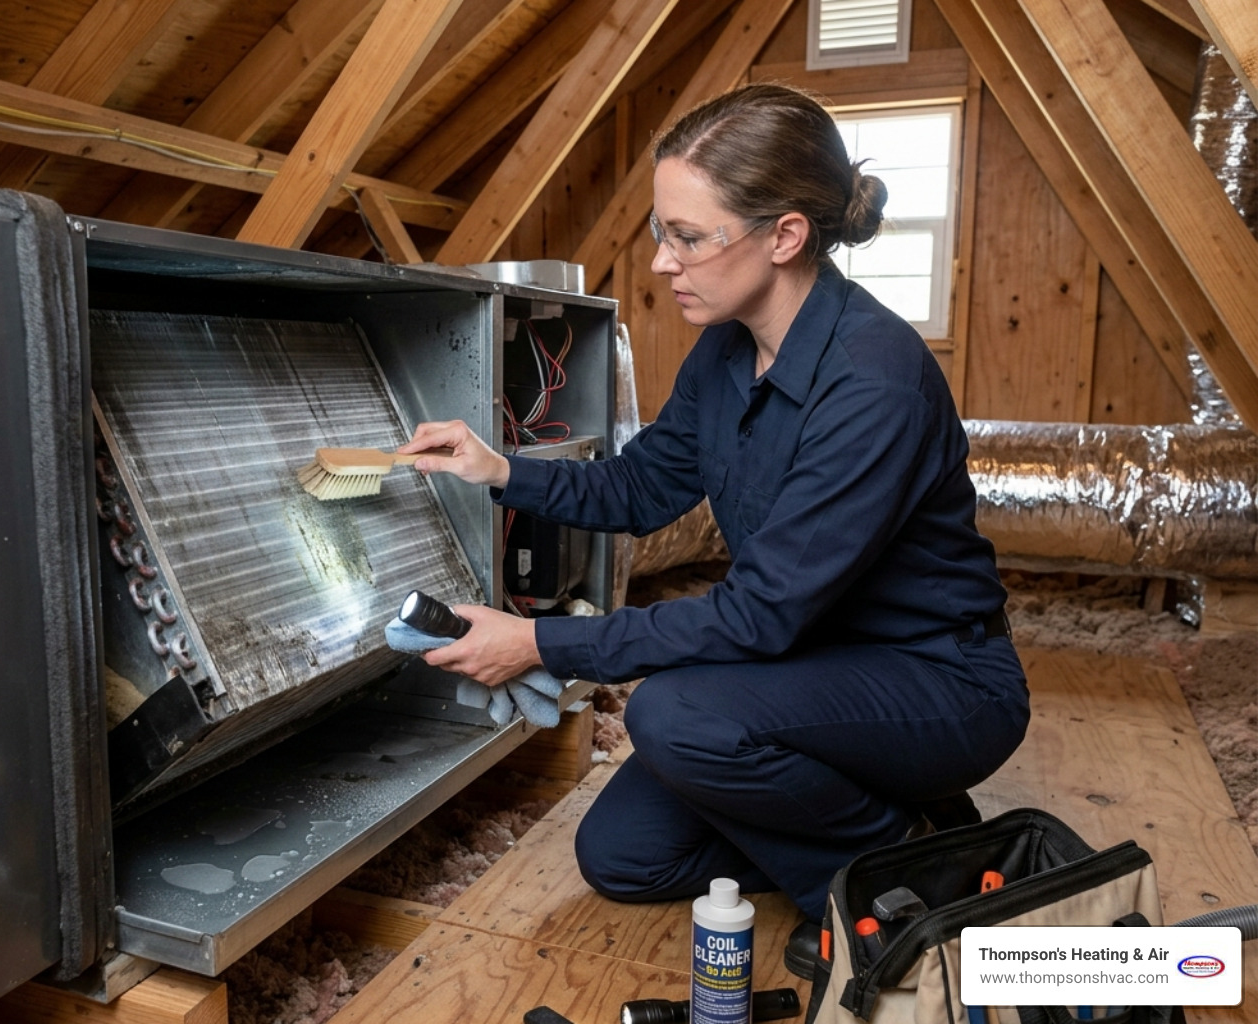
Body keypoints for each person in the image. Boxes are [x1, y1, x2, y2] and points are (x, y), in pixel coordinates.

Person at [397, 82, 1030, 979]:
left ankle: (894, 876)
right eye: (663, 232)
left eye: (689, 237)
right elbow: (642, 486)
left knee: (672, 714)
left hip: (936, 679)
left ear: (784, 236)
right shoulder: (728, 347)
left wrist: (536, 643)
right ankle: (899, 821)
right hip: (809, 668)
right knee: (623, 856)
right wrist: (500, 470)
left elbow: (757, 617)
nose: (663, 262)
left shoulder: (873, 381)